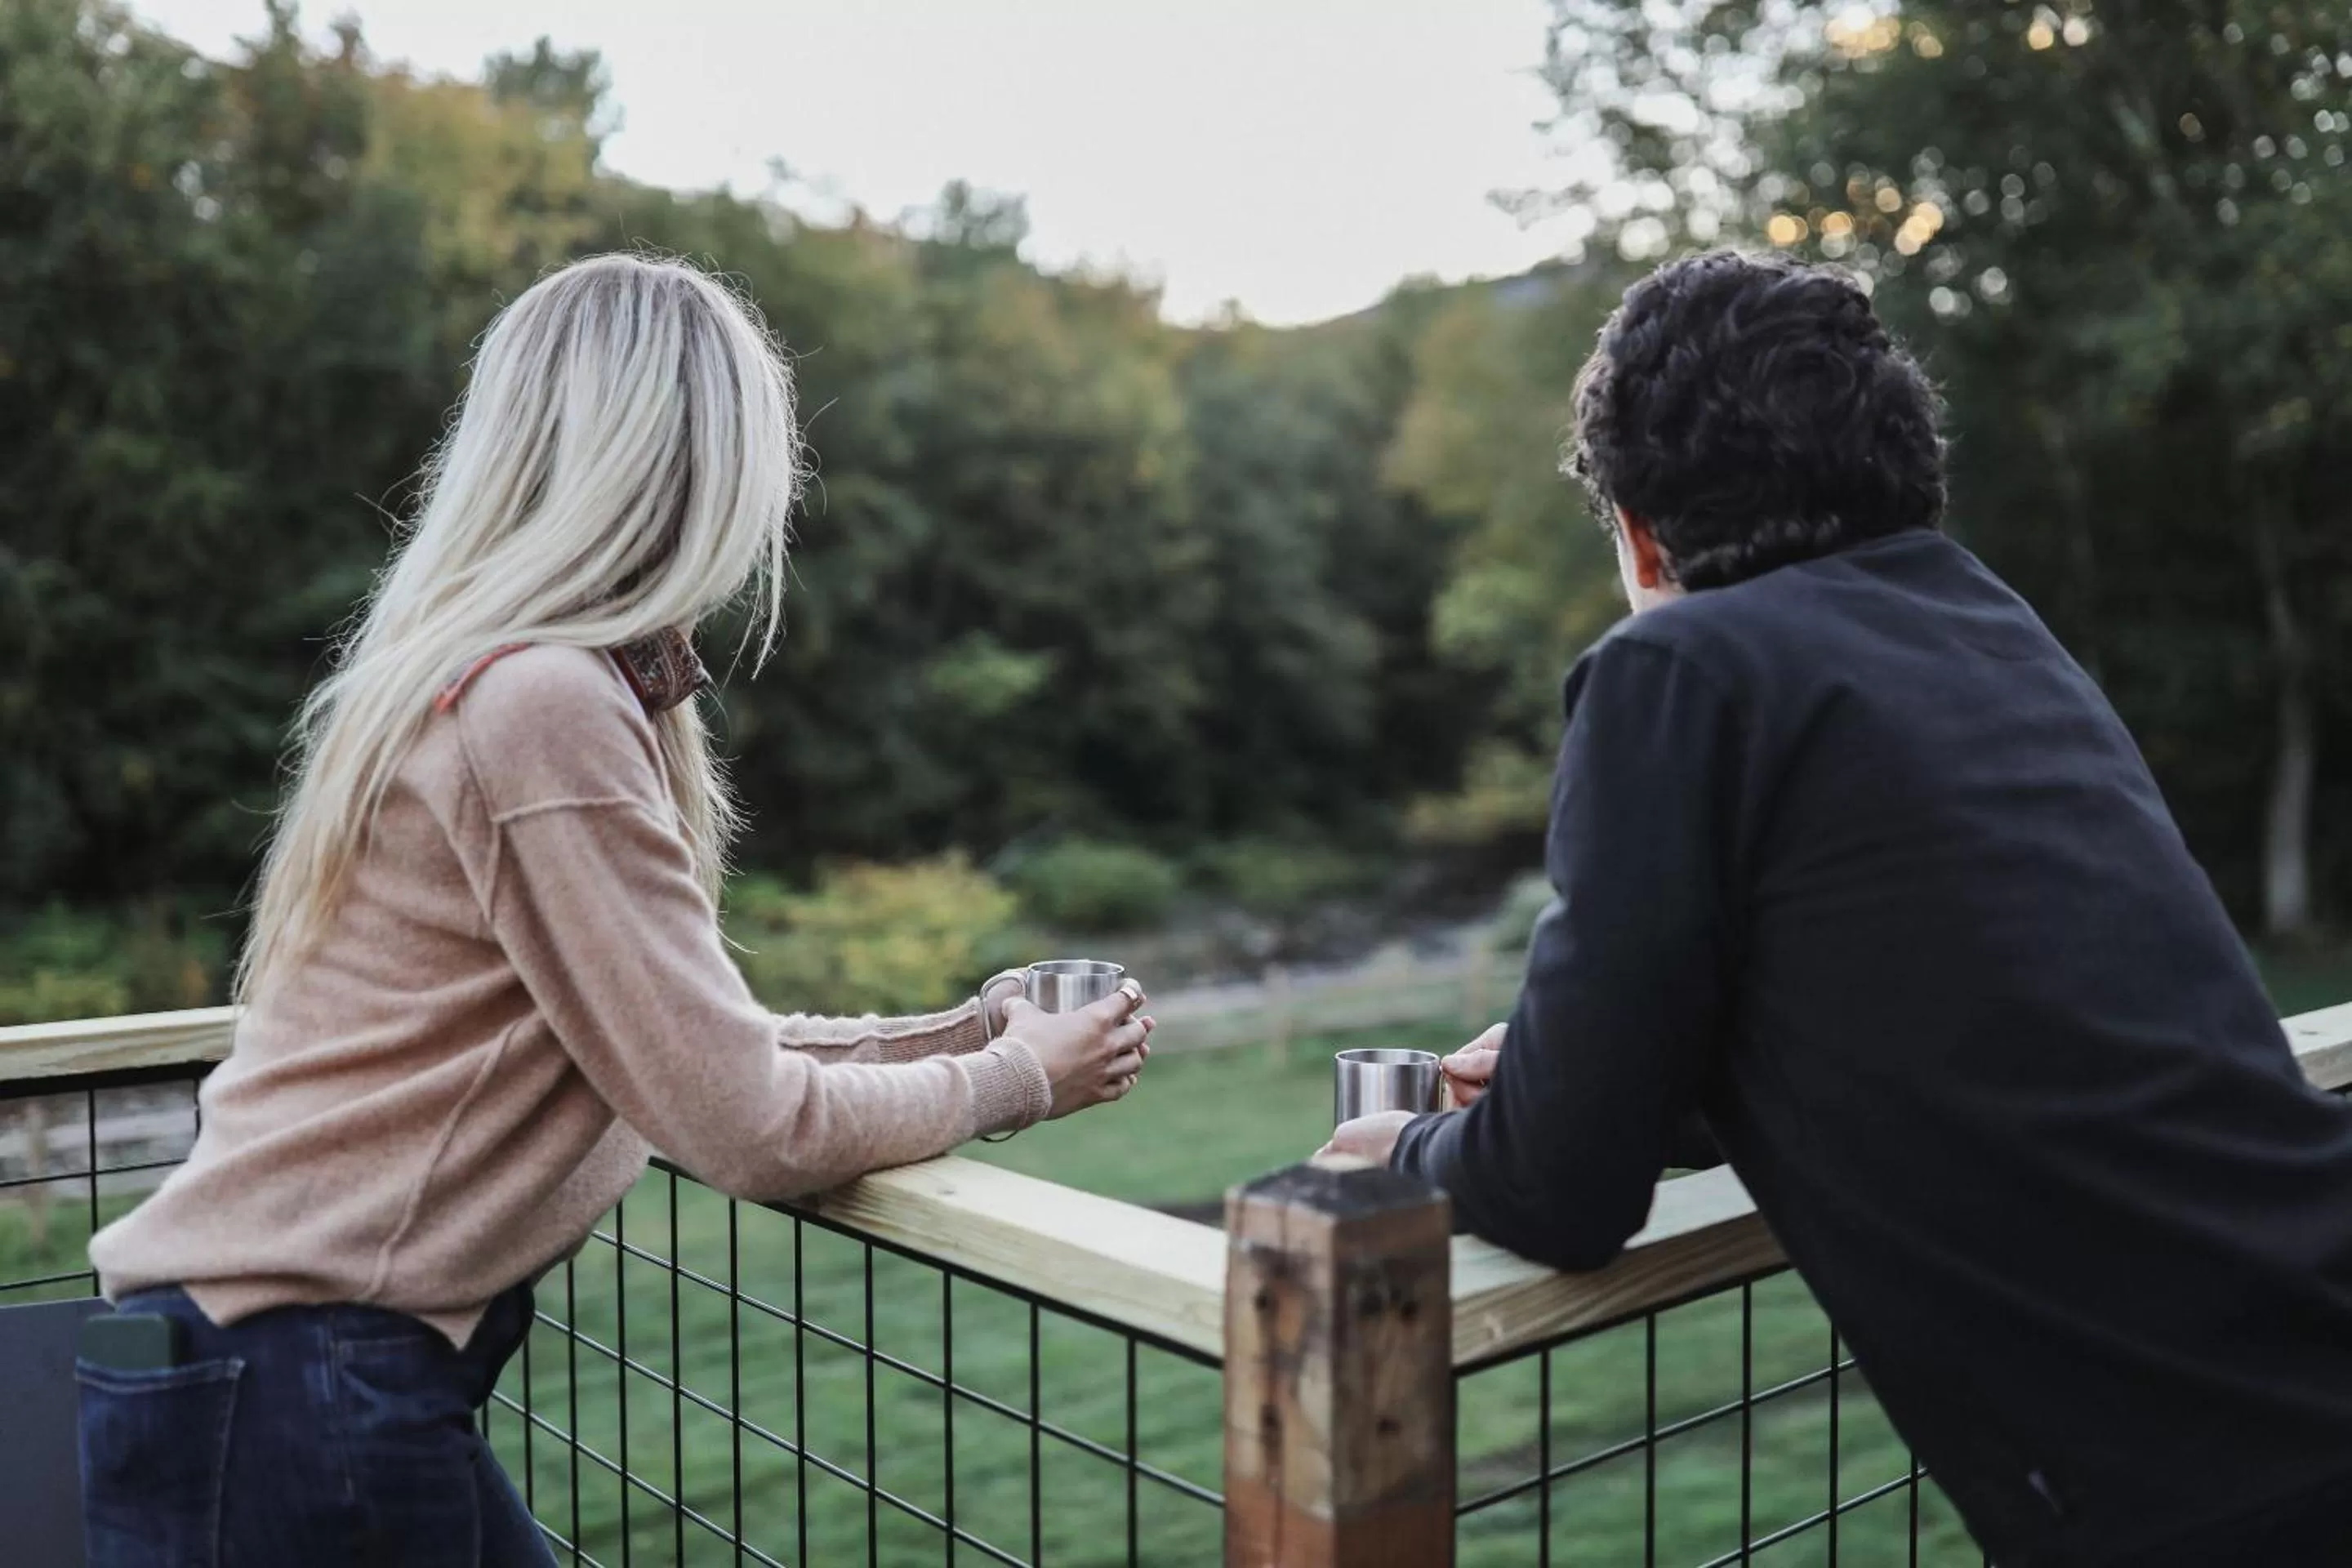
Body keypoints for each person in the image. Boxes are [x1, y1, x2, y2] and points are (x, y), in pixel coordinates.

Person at [77, 254, 1152, 1568]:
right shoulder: (543, 706)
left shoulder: (504, 681)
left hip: (282, 1379)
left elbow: (693, 1053)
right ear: (698, 464)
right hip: (306, 1388)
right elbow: (749, 1125)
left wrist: (963, 1034)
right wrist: (1012, 1083)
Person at [1323, 250, 2352, 1568]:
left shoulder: (1674, 670)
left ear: (1641, 534)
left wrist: (1401, 1156)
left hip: (2205, 1489)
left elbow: (1560, 1195)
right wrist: (1572, 1074)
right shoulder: (1990, 625)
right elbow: (1913, 1003)